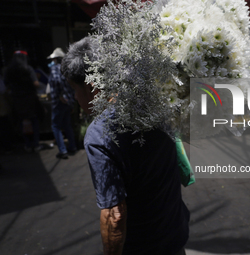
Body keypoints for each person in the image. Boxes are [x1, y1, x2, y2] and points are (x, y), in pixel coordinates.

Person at [61, 37, 189, 255]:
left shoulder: (100, 134)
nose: (74, 97)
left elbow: (114, 216)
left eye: (75, 89)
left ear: (92, 87)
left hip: (142, 247)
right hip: (175, 236)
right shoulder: (157, 102)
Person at [3, 50, 43, 152]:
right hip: (30, 100)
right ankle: (36, 144)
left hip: (17, 100)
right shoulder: (28, 69)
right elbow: (36, 84)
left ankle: (27, 145)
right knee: (34, 122)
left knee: (22, 122)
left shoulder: (8, 71)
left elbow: (5, 86)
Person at [47, 48, 77, 159]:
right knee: (67, 125)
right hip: (67, 101)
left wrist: (60, 95)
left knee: (56, 126)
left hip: (59, 101)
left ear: (55, 59)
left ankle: (63, 150)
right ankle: (72, 147)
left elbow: (56, 80)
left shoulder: (55, 68)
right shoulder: (66, 68)